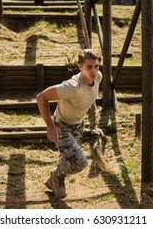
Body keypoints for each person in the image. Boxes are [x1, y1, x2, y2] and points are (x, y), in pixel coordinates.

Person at [36, 48, 102, 199]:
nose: (94, 71)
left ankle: (55, 179)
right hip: (61, 126)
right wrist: (50, 126)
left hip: (78, 125)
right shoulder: (71, 86)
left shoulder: (98, 77)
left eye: (96, 66)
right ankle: (55, 175)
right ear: (80, 67)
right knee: (79, 161)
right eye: (89, 67)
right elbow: (41, 97)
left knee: (69, 158)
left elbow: (87, 95)